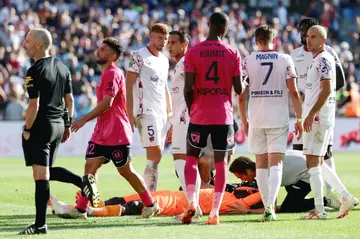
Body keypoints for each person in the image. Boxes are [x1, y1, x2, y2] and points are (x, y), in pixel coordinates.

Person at [63, 37, 159, 219]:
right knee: (90, 167)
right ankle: (81, 209)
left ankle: (150, 204)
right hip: (101, 133)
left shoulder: (113, 73)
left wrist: (83, 120)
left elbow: (107, 103)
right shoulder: (105, 74)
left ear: (113, 56)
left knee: (125, 171)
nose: (99, 51)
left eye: (104, 50)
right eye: (99, 48)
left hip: (116, 133)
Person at [182, 12, 245, 225]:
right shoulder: (233, 52)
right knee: (221, 164)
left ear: (208, 25)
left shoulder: (193, 52)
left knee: (191, 158)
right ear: (224, 29)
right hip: (223, 116)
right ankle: (214, 212)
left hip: (199, 113)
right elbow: (238, 88)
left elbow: (188, 87)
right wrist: (243, 80)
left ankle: (192, 201)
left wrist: (192, 109)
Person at [19, 28, 82, 235]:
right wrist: (66, 124)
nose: (24, 44)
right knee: (45, 171)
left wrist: (27, 129)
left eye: (27, 41)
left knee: (40, 175)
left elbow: (33, 106)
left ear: (38, 44)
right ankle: (81, 182)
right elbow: (70, 101)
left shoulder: (34, 71)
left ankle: (40, 225)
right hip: (57, 126)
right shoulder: (63, 68)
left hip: (41, 125)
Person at [238, 24, 303, 222]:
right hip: (278, 117)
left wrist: (244, 120)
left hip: (257, 117)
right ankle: (271, 208)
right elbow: (293, 91)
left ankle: (267, 205)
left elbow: (241, 95)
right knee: (277, 162)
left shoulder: (248, 60)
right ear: (274, 40)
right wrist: (299, 117)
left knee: (261, 163)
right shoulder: (285, 59)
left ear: (256, 41)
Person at [302, 25, 358, 219]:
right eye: (308, 36)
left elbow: (326, 90)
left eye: (314, 36)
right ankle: (345, 196)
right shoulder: (317, 59)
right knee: (316, 161)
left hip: (318, 118)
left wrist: (310, 114)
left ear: (323, 41)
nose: (309, 40)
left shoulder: (323, 59)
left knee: (312, 161)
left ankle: (320, 209)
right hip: (319, 117)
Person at [290, 17, 346, 196]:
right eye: (303, 31)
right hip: (304, 109)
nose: (305, 36)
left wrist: (319, 96)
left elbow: (339, 81)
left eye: (310, 32)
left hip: (320, 110)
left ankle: (329, 197)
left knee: (324, 154)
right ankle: (300, 195)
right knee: (302, 153)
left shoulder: (326, 53)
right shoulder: (295, 55)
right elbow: (294, 87)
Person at [229, 151, 358, 215]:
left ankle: (326, 200)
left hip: (307, 175)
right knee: (287, 200)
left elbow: (271, 209)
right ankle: (304, 199)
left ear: (248, 170)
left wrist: (247, 211)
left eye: (241, 176)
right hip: (302, 170)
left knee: (288, 208)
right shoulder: (263, 162)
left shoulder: (266, 174)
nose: (241, 180)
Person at [126, 23, 171, 192]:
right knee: (155, 153)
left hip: (161, 114)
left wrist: (170, 113)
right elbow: (128, 85)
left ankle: (150, 195)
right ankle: (150, 196)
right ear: (151, 37)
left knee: (155, 157)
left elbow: (164, 86)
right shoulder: (138, 56)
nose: (163, 42)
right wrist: (129, 113)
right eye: (159, 38)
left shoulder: (164, 60)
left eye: (165, 39)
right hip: (145, 111)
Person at [49, 186, 263, 218]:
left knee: (135, 206)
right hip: (171, 194)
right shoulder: (228, 193)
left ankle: (90, 211)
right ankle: (76, 206)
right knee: (125, 198)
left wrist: (269, 204)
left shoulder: (234, 202)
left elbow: (262, 193)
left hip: (175, 203)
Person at [167, 30, 202, 217]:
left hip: (186, 117)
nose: (169, 45)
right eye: (169, 42)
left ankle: (192, 205)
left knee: (181, 160)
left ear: (184, 45)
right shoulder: (182, 63)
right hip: (185, 117)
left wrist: (188, 114)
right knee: (190, 161)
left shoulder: (185, 62)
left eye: (173, 42)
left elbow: (193, 88)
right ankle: (194, 205)